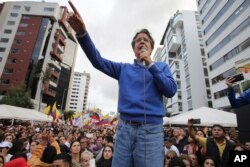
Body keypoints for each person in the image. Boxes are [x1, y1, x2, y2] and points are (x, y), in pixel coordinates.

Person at [68, 2, 177, 167]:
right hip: (124, 130)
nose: (142, 42)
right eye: (138, 40)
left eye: (145, 40)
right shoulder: (123, 69)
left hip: (151, 132)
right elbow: (98, 61)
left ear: (151, 47)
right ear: (133, 49)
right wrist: (82, 33)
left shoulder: (161, 67)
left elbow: (170, 90)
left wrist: (150, 64)